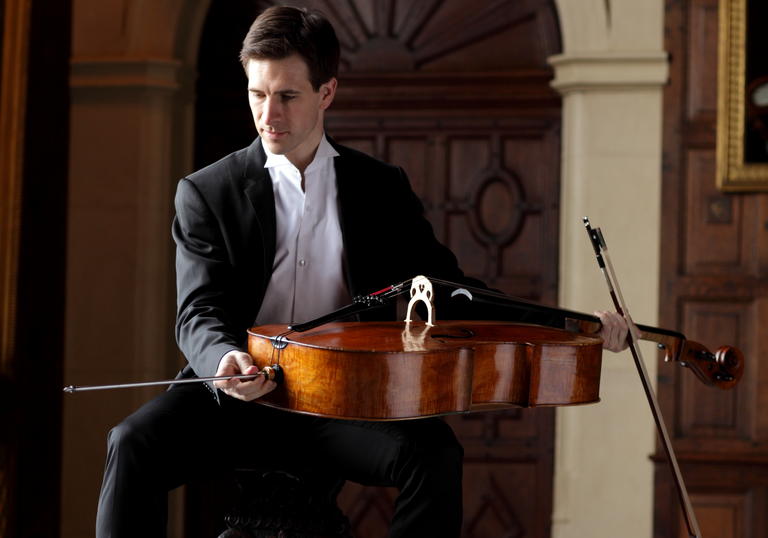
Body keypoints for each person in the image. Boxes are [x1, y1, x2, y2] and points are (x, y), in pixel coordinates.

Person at [95, 6, 629, 537]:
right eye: (258, 94)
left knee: (435, 455)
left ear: (327, 92)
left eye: (287, 96)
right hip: (239, 396)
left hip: (342, 401)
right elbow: (198, 311)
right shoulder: (206, 191)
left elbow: (450, 292)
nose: (268, 114)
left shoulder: (379, 189)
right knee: (131, 443)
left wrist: (573, 326)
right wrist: (223, 358)